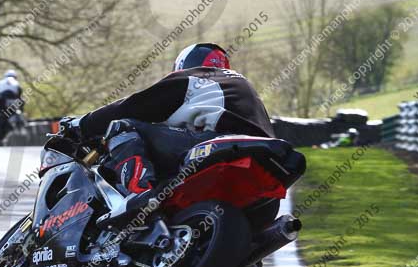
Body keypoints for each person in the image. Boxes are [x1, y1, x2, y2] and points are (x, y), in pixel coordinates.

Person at [63, 42, 274, 223]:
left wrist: (82, 124)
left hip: (220, 143)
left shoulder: (195, 78)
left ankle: (139, 193)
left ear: (184, 66)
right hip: (268, 169)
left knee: (123, 126)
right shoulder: (244, 90)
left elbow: (134, 105)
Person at [0, 70, 26, 145]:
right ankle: (21, 120)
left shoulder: (0, 82)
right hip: (11, 104)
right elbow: (20, 96)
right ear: (15, 77)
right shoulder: (16, 83)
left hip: (0, 102)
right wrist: (21, 109)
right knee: (21, 102)